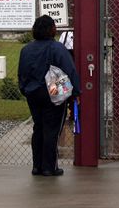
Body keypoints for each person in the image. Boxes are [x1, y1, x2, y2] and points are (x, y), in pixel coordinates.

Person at [18, 15, 81, 177]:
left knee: (38, 127)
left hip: (33, 94)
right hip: (54, 94)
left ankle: (37, 166)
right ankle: (49, 167)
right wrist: (75, 93)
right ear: (51, 29)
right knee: (52, 130)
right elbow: (70, 70)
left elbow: (22, 74)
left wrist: (25, 90)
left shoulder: (26, 50)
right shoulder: (57, 48)